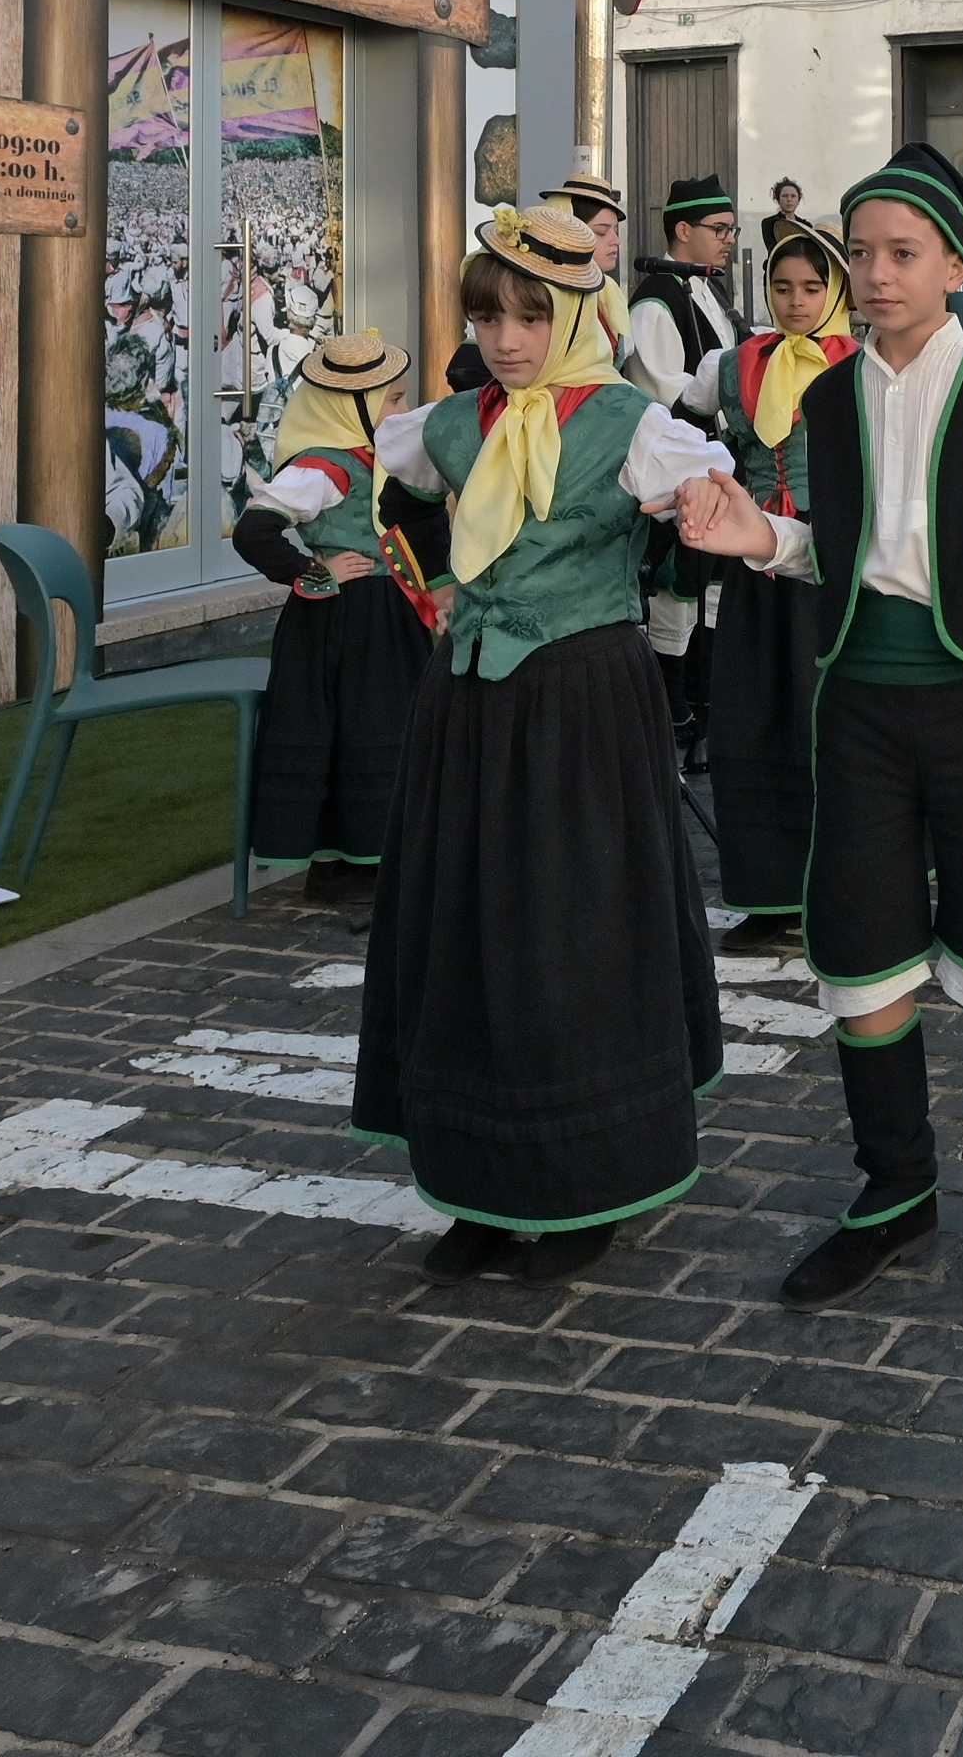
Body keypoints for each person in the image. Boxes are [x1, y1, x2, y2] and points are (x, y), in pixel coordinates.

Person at [663, 145, 963, 1323]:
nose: (872, 274)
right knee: (863, 959)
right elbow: (835, 551)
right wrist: (753, 537)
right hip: (857, 700)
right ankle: (894, 1191)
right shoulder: (825, 393)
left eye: (898, 253)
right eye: (858, 253)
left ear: (954, 266)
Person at [359, 207, 727, 1284]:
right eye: (485, 314)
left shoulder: (633, 424)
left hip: (580, 707)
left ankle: (581, 1188)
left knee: (570, 935)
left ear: (574, 311)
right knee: (464, 927)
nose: (504, 337)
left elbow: (706, 500)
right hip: (468, 709)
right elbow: (392, 494)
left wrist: (702, 515)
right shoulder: (451, 422)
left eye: (528, 314)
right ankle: (478, 1180)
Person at [680, 231, 860, 954]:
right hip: (755, 566)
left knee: (831, 720)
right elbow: (683, 432)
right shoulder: (730, 365)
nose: (795, 302)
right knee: (754, 718)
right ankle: (767, 891)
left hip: (830, 560)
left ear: (835, 294)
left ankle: (845, 885)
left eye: (811, 290)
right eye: (782, 288)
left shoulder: (862, 366)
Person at [231, 330, 449, 911]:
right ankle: (351, 868)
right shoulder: (324, 468)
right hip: (348, 620)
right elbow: (255, 530)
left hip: (382, 613)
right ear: (352, 406)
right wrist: (315, 570)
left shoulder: (369, 458)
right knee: (360, 728)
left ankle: (362, 860)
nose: (402, 409)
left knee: (370, 727)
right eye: (393, 399)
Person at [618, 175, 745, 763]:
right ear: (683, 230)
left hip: (715, 461)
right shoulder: (655, 299)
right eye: (720, 231)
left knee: (710, 592)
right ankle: (677, 716)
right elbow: (660, 388)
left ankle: (709, 712)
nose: (727, 241)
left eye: (731, 231)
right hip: (677, 466)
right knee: (679, 593)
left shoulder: (708, 291)